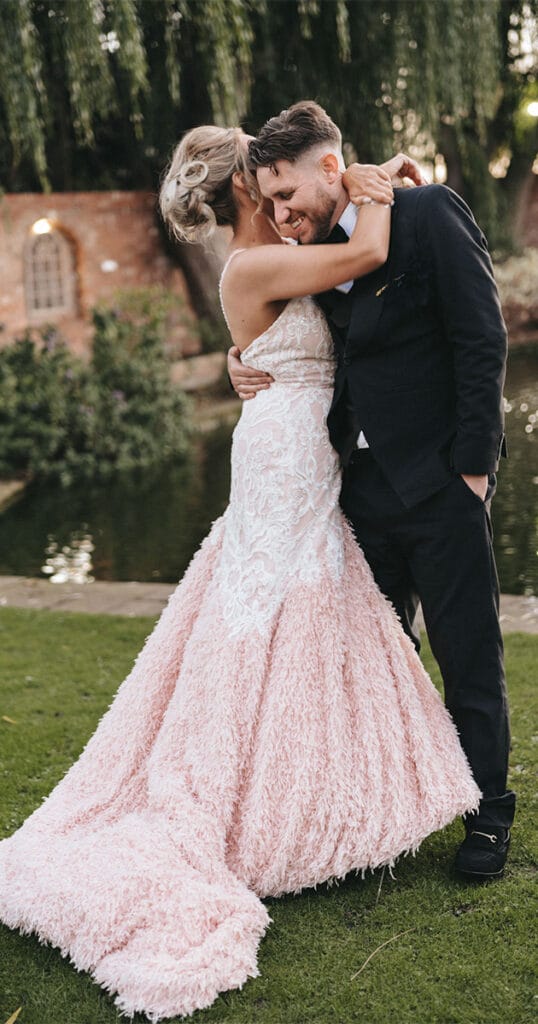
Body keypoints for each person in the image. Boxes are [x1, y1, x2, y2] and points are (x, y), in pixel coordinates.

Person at [0, 124, 480, 1023]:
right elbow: (368, 246)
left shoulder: (276, 255)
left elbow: (334, 291)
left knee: (307, 605)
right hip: (283, 456)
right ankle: (263, 799)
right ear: (251, 188)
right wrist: (381, 182)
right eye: (270, 181)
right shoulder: (248, 270)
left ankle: (327, 786)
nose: (284, 191)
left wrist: (244, 352)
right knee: (271, 606)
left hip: (302, 444)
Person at [230, 101, 515, 881]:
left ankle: (488, 815)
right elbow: (284, 337)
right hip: (353, 493)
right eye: (269, 203)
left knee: (468, 655)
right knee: (373, 662)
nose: (280, 215)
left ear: (329, 168)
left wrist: (474, 468)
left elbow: (480, 337)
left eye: (285, 195)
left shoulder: (425, 214)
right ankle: (387, 813)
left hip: (439, 485)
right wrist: (236, 355)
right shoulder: (319, 250)